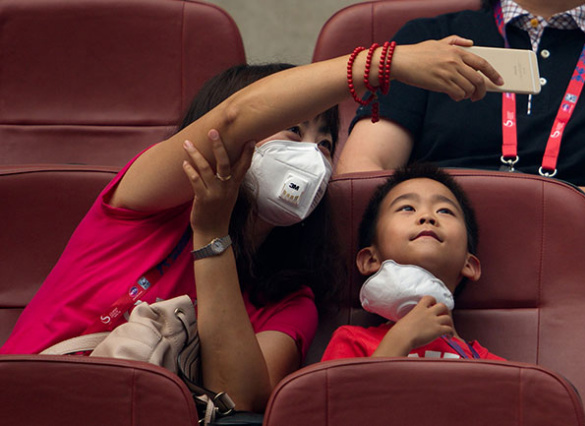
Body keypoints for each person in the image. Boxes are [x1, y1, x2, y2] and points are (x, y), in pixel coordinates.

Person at [0, 41, 502, 412]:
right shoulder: (142, 201)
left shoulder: (291, 299)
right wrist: (386, 63)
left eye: (326, 144)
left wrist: (210, 235)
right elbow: (238, 116)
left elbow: (238, 399)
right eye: (293, 130)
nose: (312, 157)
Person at [337, 0, 585, 197]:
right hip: (430, 238)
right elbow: (361, 174)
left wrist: (553, 206)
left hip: (574, 238)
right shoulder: (429, 40)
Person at [322, 164, 504, 361]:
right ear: (370, 259)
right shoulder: (352, 342)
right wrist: (400, 340)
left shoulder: (490, 364)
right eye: (407, 208)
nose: (427, 217)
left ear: (469, 265)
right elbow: (343, 393)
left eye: (445, 211)